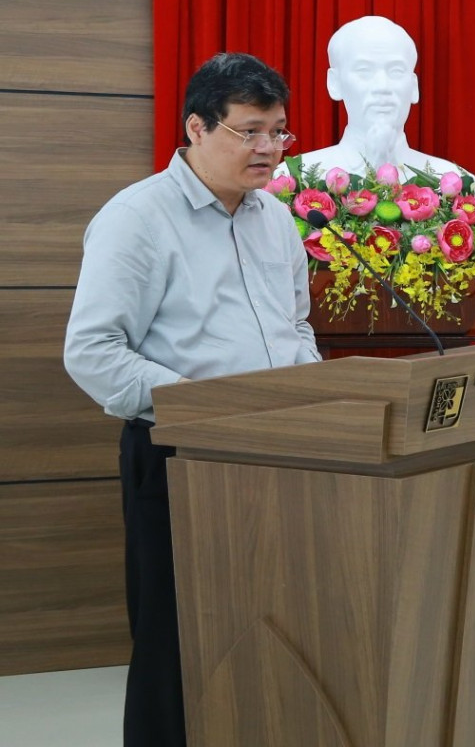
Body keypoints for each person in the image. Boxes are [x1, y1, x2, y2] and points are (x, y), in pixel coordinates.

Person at [64, 53, 322, 747]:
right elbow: (93, 350)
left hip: (283, 452)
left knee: (272, 634)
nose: (268, 148)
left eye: (278, 131)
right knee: (178, 644)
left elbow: (295, 325)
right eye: (249, 131)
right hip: (180, 456)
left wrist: (316, 394)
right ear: (197, 128)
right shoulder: (138, 217)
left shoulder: (277, 220)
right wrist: (204, 407)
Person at [298, 14, 464, 179]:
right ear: (334, 83)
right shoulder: (296, 179)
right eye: (364, 70)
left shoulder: (453, 182)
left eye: (396, 71)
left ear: (414, 86)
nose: (382, 87)